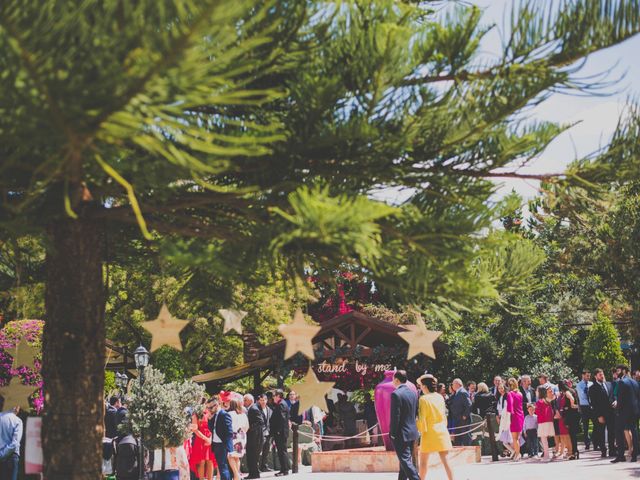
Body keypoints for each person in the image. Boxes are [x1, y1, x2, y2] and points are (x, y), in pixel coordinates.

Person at [416, 375, 453, 480]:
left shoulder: (423, 399)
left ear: (425, 386)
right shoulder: (440, 397)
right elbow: (444, 415)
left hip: (429, 432)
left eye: (421, 385)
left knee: (423, 462)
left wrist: (419, 429)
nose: (420, 387)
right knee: (446, 460)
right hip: (442, 430)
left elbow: (422, 419)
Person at [390, 370, 420, 480]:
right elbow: (415, 412)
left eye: (393, 379)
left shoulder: (395, 394)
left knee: (405, 461)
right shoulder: (413, 393)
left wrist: (392, 434)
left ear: (397, 380)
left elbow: (395, 417)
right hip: (412, 432)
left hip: (401, 434)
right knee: (404, 463)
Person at [612, 364, 639, 463]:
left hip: (624, 412)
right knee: (634, 432)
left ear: (623, 371)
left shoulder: (622, 382)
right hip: (635, 411)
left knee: (618, 431)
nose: (617, 373)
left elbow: (621, 398)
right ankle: (635, 455)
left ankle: (620, 456)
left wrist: (617, 409)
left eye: (618, 371)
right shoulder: (635, 382)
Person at [589, 368, 616, 457]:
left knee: (612, 431)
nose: (602, 376)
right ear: (596, 376)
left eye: (602, 374)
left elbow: (613, 395)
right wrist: (599, 415)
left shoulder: (609, 384)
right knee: (601, 433)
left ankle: (612, 450)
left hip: (611, 412)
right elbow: (594, 403)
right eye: (600, 375)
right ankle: (603, 450)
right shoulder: (592, 388)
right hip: (601, 413)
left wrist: (615, 401)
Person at [208, 397, 234, 480]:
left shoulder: (224, 414)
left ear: (217, 405)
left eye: (211, 407)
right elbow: (211, 429)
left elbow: (229, 432)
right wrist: (210, 419)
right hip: (216, 444)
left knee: (223, 468)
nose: (209, 409)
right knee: (222, 466)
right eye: (208, 408)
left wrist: (228, 447)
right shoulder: (215, 415)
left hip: (223, 444)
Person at [0, 400, 23, 480]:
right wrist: (3, 454)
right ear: (16, 407)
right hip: (11, 458)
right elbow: (15, 443)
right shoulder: (18, 421)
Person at [270, 390, 290, 477]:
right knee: (282, 451)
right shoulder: (282, 403)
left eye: (274, 395)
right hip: (281, 432)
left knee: (282, 451)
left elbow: (282, 419)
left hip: (280, 432)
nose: (273, 397)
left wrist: (278, 431)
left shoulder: (281, 404)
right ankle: (284, 469)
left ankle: (284, 470)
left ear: (278, 396)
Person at [227, 399, 248, 480]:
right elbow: (247, 427)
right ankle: (237, 473)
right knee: (237, 457)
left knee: (230, 456)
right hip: (242, 435)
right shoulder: (243, 414)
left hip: (233, 436)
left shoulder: (229, 414)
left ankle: (236, 475)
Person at [558, 379, 580, 459]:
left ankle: (574, 452)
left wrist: (572, 404)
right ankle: (575, 451)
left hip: (570, 415)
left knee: (572, 434)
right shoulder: (573, 390)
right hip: (575, 414)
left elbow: (572, 399)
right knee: (573, 434)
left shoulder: (567, 392)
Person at [191, 406, 214, 480]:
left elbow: (214, 426)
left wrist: (210, 438)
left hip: (210, 438)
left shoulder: (210, 412)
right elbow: (195, 430)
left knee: (210, 461)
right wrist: (205, 438)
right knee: (201, 461)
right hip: (200, 439)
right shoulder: (195, 414)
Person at [246, 394, 265, 479]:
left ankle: (253, 474)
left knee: (252, 455)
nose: (244, 402)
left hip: (255, 437)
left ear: (250, 400)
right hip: (254, 436)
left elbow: (260, 421)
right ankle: (253, 473)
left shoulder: (253, 408)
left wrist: (250, 427)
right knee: (252, 456)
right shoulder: (254, 407)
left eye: (245, 400)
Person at [448, 378, 471, 446]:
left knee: (465, 437)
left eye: (453, 384)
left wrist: (465, 415)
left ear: (458, 384)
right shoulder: (457, 392)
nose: (452, 385)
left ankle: (468, 454)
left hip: (463, 420)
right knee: (458, 438)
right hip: (457, 419)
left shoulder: (462, 392)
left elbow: (469, 405)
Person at [506, 378, 524, 461]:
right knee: (518, 437)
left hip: (514, 416)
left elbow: (510, 406)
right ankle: (518, 453)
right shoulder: (520, 393)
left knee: (514, 438)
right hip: (521, 416)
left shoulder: (510, 394)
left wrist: (508, 414)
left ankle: (517, 454)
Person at [535, 386, 554, 462]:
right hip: (549, 421)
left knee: (543, 439)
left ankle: (547, 456)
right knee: (545, 439)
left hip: (543, 422)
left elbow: (537, 412)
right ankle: (547, 455)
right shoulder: (547, 400)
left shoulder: (539, 402)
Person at [576, 369, 593, 450]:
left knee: (596, 424)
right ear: (583, 375)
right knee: (586, 426)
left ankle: (595, 441)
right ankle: (587, 442)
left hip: (592, 406)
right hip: (584, 406)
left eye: (589, 376)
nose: (588, 377)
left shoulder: (591, 383)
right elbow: (582, 396)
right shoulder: (579, 385)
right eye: (587, 376)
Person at [496, 382, 513, 457]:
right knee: (504, 438)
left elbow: (507, 407)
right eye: (499, 388)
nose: (500, 390)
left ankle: (514, 451)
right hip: (503, 418)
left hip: (508, 417)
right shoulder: (500, 397)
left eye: (502, 388)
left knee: (510, 436)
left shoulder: (507, 395)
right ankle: (512, 451)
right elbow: (499, 408)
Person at [259, 392, 274, 473]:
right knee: (258, 451)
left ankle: (264, 466)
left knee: (266, 451)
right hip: (260, 433)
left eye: (264, 400)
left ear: (267, 400)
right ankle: (256, 466)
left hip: (268, 434)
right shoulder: (257, 409)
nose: (263, 401)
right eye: (261, 400)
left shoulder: (269, 409)